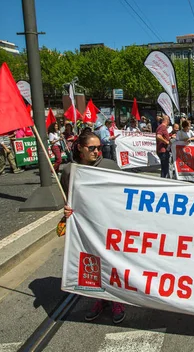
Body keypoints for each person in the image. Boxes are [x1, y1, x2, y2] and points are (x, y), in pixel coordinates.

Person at [60, 132, 126, 324]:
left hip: (110, 224)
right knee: (92, 264)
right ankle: (101, 299)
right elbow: (70, 199)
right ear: (80, 148)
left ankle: (116, 300)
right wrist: (67, 212)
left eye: (99, 148)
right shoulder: (69, 171)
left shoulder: (110, 166)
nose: (97, 151)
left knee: (112, 263)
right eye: (92, 148)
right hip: (87, 228)